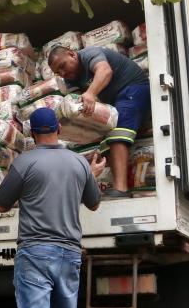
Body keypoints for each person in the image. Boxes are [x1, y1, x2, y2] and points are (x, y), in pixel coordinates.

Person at [0, 108, 105, 308]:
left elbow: (1, 203)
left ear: (32, 134)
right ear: (58, 128)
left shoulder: (25, 162)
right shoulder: (78, 163)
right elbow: (94, 203)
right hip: (69, 253)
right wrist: (89, 176)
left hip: (35, 252)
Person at [48, 45, 150, 198]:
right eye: (58, 72)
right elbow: (77, 104)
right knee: (105, 143)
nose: (62, 73)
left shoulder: (90, 54)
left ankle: (121, 189)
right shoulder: (69, 79)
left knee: (117, 133)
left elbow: (105, 71)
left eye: (62, 66)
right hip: (115, 103)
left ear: (72, 54)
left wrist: (90, 93)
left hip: (133, 89)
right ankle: (118, 185)